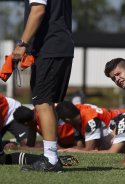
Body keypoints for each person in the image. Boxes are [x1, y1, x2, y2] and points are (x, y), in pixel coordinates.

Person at [11, 0, 74, 172]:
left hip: (49, 48)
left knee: (42, 102)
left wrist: (22, 43)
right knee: (48, 103)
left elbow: (38, 10)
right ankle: (51, 155)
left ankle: (51, 160)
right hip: (62, 46)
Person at [55, 101, 125, 152]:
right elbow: (81, 146)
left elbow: (90, 150)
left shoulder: (90, 120)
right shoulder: (77, 113)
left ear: (66, 120)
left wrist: (68, 150)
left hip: (124, 119)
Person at [13, 106, 82, 149]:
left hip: (76, 139)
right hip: (67, 140)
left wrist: (17, 148)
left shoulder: (43, 118)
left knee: (44, 145)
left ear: (26, 123)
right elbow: (30, 144)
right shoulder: (34, 115)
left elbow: (54, 146)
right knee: (41, 144)